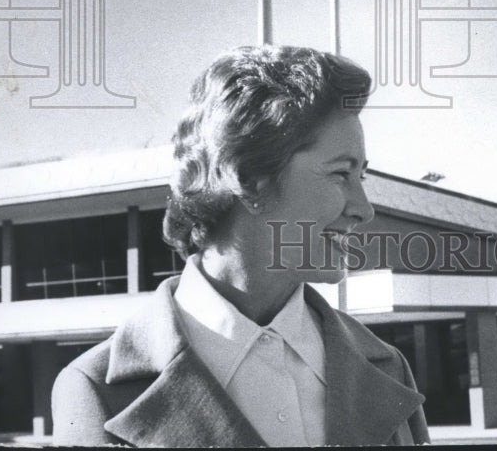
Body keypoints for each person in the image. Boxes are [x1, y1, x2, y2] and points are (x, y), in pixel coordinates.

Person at [52, 45, 429, 447]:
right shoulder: (93, 389)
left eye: (362, 178)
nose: (364, 210)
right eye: (340, 174)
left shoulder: (388, 368)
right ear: (247, 177)